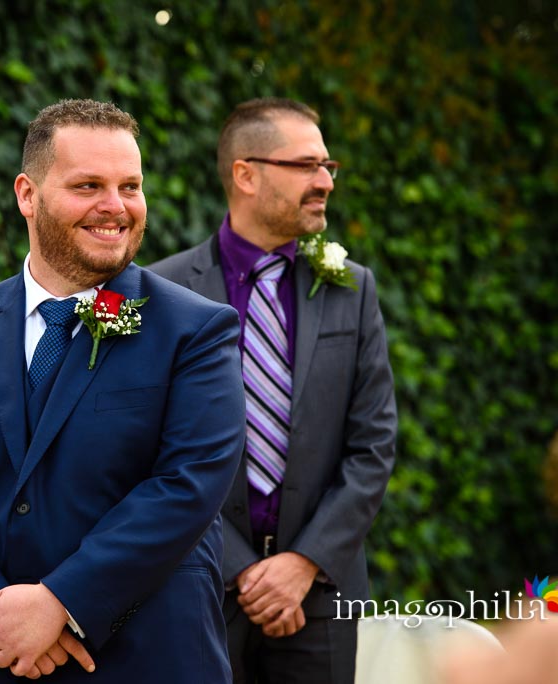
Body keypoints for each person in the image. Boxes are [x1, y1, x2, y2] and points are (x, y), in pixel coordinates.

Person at [0, 99, 247, 683]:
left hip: (144, 659)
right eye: (88, 185)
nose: (116, 207)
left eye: (130, 186)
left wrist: (59, 602)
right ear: (27, 194)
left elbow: (187, 485)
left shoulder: (196, 330)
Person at [149, 97, 397, 684]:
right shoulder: (163, 291)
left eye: (329, 167)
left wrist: (303, 563)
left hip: (321, 595)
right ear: (246, 173)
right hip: (199, 584)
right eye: (307, 166)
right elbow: (149, 451)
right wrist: (242, 568)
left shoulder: (351, 289)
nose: (325, 182)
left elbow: (374, 444)